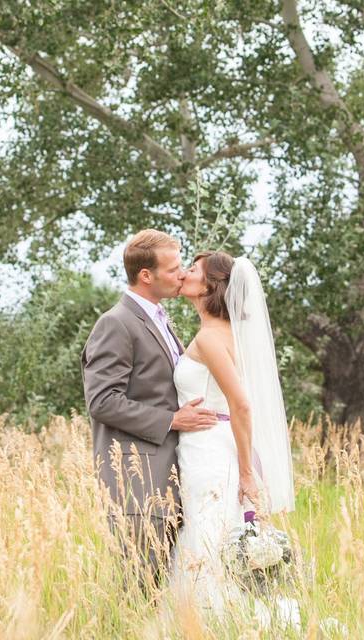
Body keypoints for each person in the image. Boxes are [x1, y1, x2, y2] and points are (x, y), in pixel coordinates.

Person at [80, 229, 218, 596]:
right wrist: (172, 420)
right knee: (138, 592)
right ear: (146, 275)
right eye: (173, 269)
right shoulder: (116, 323)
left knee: (163, 594)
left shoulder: (160, 318)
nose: (182, 275)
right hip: (137, 483)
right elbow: (102, 401)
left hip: (171, 476)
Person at [168, 250, 298, 629]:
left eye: (192, 270)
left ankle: (211, 623)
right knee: (213, 534)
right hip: (203, 445)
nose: (184, 274)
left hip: (212, 450)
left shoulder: (210, 337)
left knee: (207, 536)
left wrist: (245, 472)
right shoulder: (222, 334)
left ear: (210, 286)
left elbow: (241, 405)